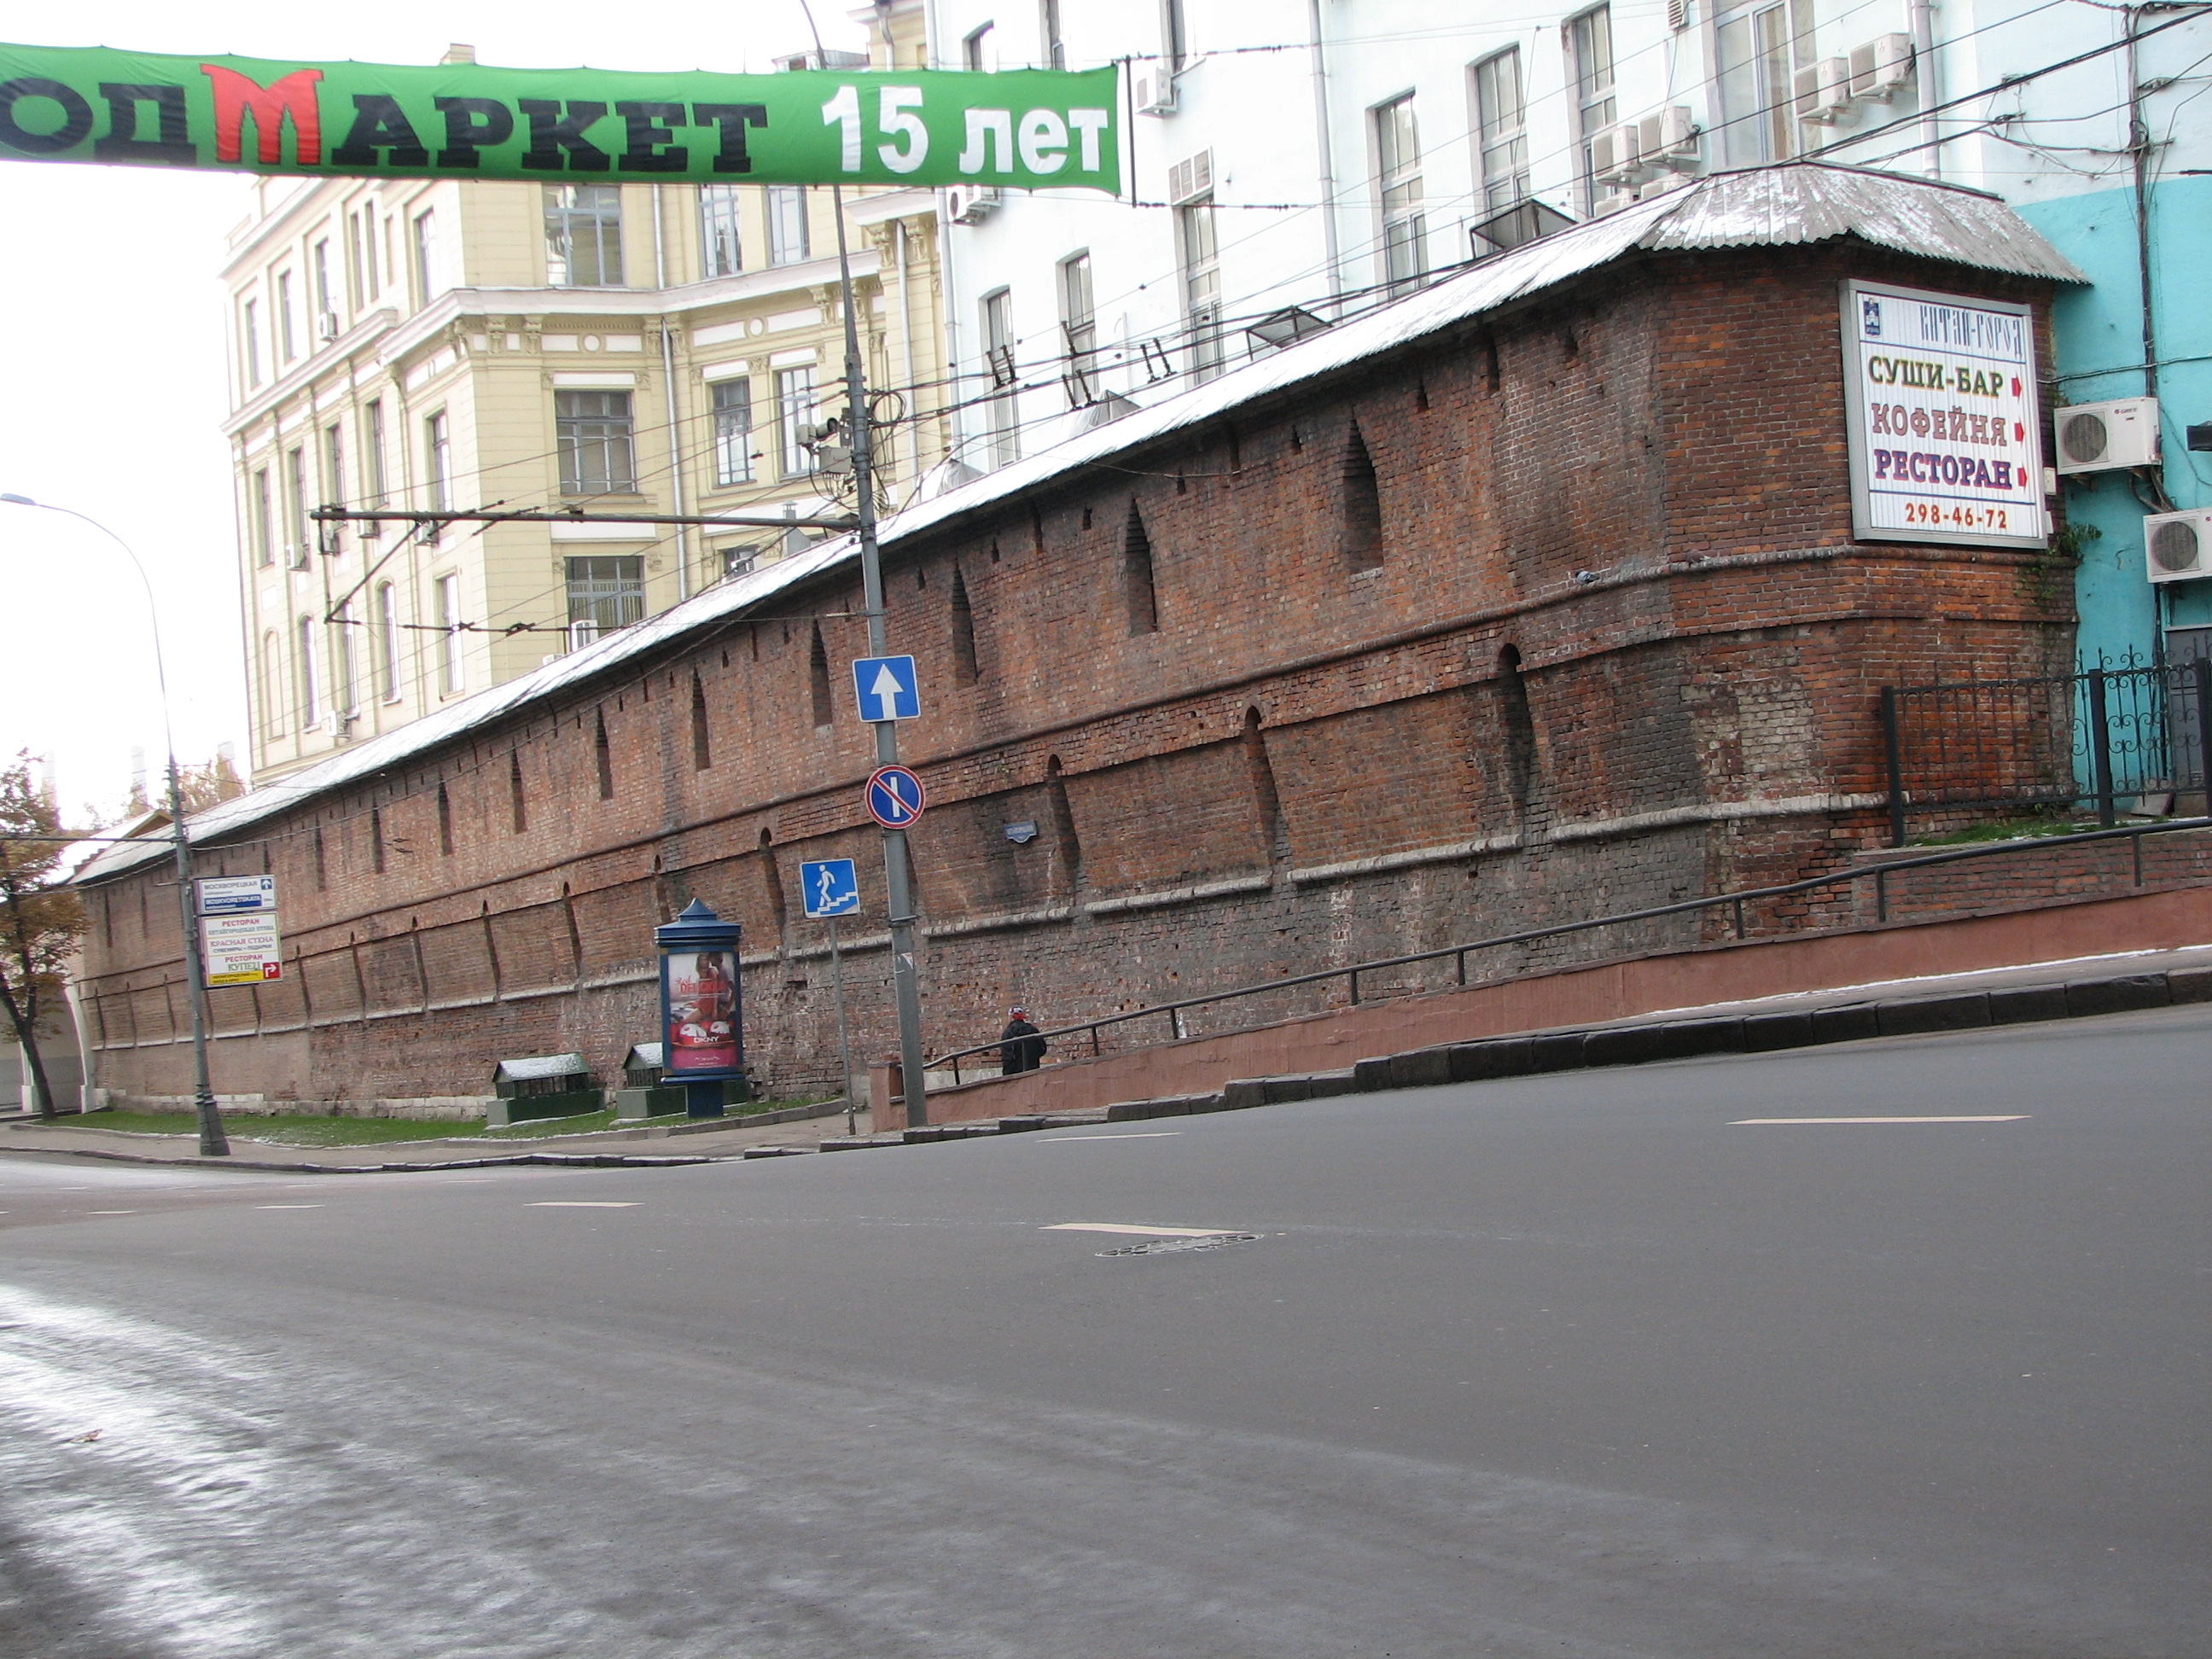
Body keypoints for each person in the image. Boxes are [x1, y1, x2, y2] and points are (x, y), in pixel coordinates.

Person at [998, 1007, 1046, 1075]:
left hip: (1014, 1073)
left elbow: (1007, 1057)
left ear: (1011, 1017)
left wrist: (1006, 1074)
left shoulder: (1008, 1033)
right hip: (1033, 1070)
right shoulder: (1032, 1030)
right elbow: (1042, 1049)